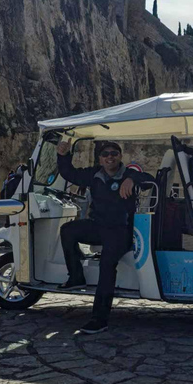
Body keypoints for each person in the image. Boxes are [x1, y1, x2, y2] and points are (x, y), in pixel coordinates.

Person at [57, 140, 154, 334]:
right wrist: (63, 155)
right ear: (100, 159)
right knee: (67, 230)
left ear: (120, 156)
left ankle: (99, 319)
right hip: (98, 226)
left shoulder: (128, 174)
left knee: (107, 265)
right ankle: (76, 276)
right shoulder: (94, 175)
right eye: (105, 154)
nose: (110, 157)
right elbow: (69, 174)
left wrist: (132, 178)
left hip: (121, 231)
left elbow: (151, 179)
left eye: (114, 153)